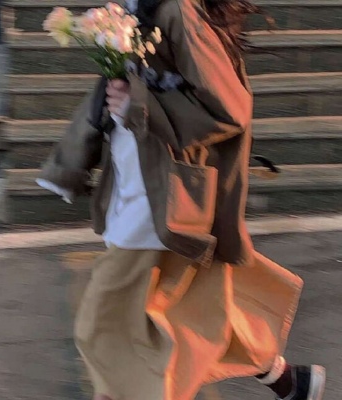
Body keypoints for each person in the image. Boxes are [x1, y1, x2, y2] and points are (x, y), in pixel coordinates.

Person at [38, 0, 326, 399]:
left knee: (104, 322)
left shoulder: (176, 9)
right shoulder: (134, 9)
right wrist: (70, 162)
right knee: (196, 304)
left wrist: (139, 107)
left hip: (160, 193)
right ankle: (288, 381)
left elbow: (229, 108)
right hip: (141, 181)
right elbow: (109, 92)